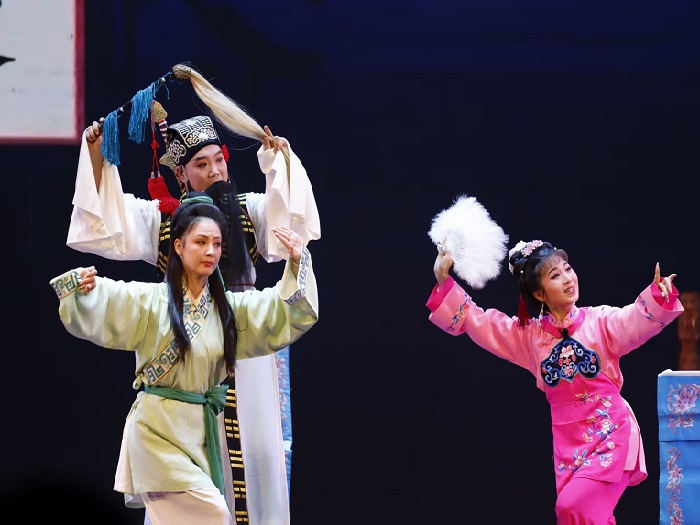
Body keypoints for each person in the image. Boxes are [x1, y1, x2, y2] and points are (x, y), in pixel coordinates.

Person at [66, 65, 320, 524]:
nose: (215, 171)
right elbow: (105, 222)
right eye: (201, 165)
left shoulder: (248, 212)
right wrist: (98, 156)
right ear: (181, 175)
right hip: (184, 351)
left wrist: (278, 164)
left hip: (245, 343)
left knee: (257, 453)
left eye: (219, 160)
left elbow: (292, 221)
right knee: (187, 466)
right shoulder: (164, 221)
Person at [51, 195, 318, 525]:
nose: (211, 251)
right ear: (178, 246)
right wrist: (81, 287)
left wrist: (296, 264)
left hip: (199, 437)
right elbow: (109, 298)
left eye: (217, 244)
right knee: (215, 516)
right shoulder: (150, 301)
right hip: (157, 435)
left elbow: (278, 311)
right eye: (201, 242)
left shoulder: (228, 310)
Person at [427, 238, 683, 524]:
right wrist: (443, 278)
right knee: (583, 516)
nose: (568, 278)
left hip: (611, 436)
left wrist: (659, 297)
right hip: (568, 449)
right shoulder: (529, 337)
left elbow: (634, 319)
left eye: (568, 269)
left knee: (571, 508)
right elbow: (481, 322)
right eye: (555, 275)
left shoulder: (599, 322)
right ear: (539, 293)